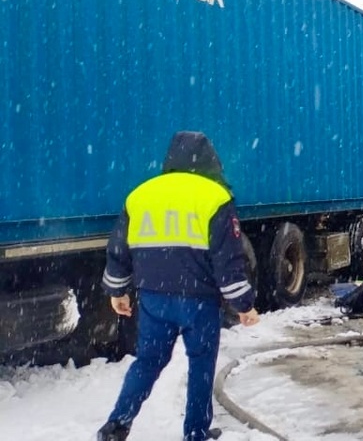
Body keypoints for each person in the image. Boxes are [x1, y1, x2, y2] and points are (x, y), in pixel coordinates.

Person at [97, 131, 259, 441]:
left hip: (153, 299)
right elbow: (229, 260)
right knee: (201, 366)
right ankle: (195, 434)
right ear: (210, 159)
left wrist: (117, 291)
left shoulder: (140, 195)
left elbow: (118, 248)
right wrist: (244, 305)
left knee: (147, 362)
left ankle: (116, 425)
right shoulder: (215, 196)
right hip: (198, 302)